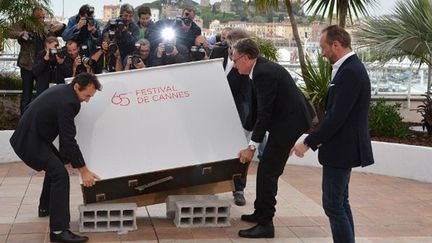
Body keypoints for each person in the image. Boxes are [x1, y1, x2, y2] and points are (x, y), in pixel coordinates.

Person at [290, 25, 375, 243]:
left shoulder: (350, 71)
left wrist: (308, 142)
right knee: (340, 203)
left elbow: (337, 116)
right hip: (341, 148)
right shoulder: (347, 68)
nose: (322, 52)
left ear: (336, 45)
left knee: (333, 205)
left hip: (342, 148)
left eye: (323, 47)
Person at [233, 38, 315, 238]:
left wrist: (251, 148)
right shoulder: (257, 70)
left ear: (245, 58)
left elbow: (265, 114)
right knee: (266, 170)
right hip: (284, 120)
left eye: (234, 60)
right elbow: (255, 110)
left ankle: (266, 223)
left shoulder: (263, 73)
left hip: (289, 123)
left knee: (268, 172)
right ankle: (260, 212)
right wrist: (242, 134)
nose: (233, 64)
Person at [10, 73, 102, 243]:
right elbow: (68, 139)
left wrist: (66, 159)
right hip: (31, 140)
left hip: (30, 135)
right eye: (87, 95)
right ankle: (59, 231)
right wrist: (84, 170)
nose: (87, 100)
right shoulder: (69, 102)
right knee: (60, 175)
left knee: (57, 166)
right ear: (77, 87)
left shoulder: (62, 90)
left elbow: (61, 132)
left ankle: (45, 207)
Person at [8, 7, 65, 114]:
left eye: (43, 17)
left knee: (43, 94)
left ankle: (40, 119)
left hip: (42, 65)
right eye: (39, 17)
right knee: (26, 95)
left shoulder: (47, 24)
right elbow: (9, 31)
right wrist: (21, 34)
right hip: (27, 65)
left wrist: (62, 25)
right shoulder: (25, 23)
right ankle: (24, 121)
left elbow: (63, 31)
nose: (41, 19)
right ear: (32, 17)